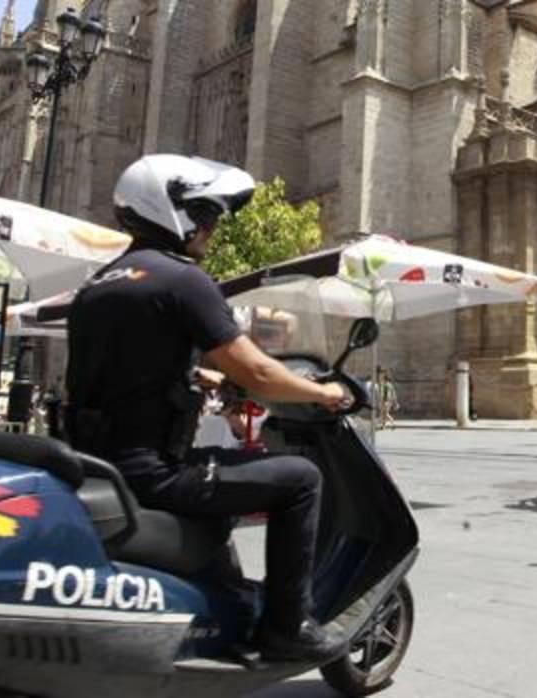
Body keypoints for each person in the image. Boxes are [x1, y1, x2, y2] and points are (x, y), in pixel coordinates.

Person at [64, 155, 349, 664]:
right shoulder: (182, 280)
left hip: (96, 464)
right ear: (172, 212)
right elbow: (258, 372)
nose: (211, 227)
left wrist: (195, 375)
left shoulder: (99, 284)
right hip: (153, 472)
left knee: (232, 480)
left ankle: (224, 605)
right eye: (205, 213)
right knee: (301, 478)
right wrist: (322, 393)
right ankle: (288, 627)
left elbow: (126, 365)